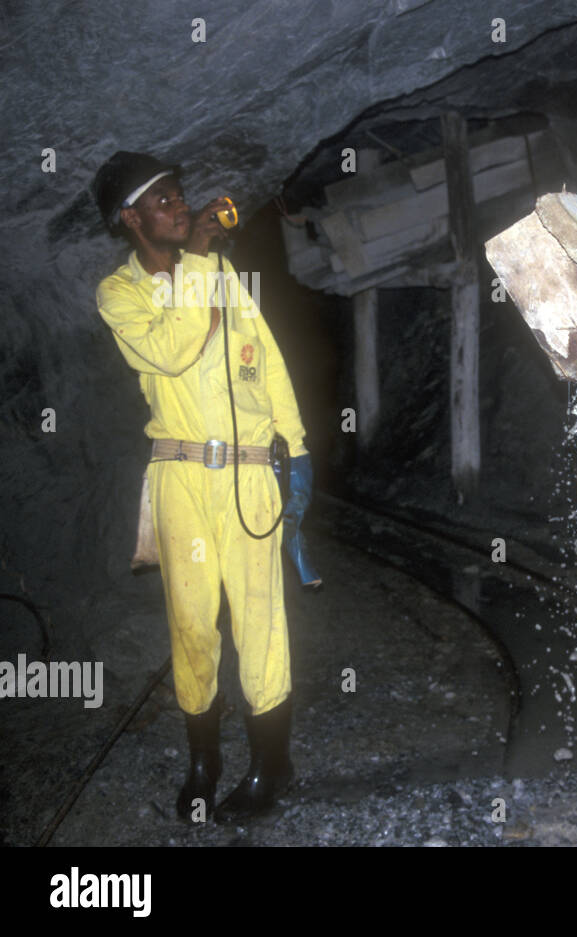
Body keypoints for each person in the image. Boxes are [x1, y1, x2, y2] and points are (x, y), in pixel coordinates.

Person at [91, 151, 312, 824]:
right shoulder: (118, 294)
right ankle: (202, 762)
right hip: (181, 475)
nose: (179, 207)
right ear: (130, 219)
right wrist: (195, 258)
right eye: (162, 202)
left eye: (179, 196)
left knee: (260, 622)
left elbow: (265, 356)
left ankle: (272, 766)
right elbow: (175, 348)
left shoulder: (221, 275)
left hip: (249, 472)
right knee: (192, 628)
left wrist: (298, 447)